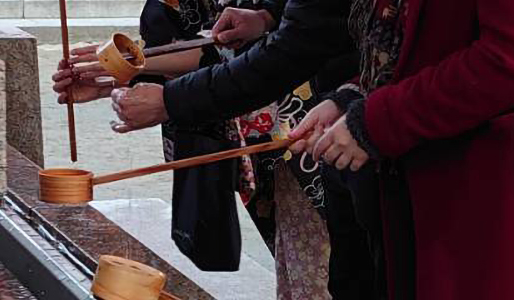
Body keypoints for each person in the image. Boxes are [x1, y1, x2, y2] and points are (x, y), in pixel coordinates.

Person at [53, 1, 380, 298]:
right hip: (278, 114)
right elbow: (214, 39)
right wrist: (267, 16)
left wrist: (152, 90)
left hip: (317, 129)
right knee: (300, 272)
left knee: (323, 273)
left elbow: (291, 46)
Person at [286, 0, 514, 298]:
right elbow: (425, 38)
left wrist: (379, 120)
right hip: (427, 190)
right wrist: (355, 97)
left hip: (490, 202)